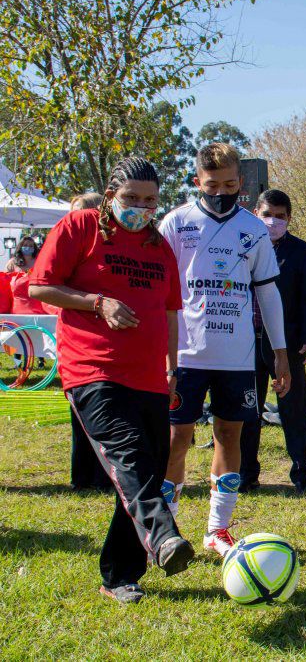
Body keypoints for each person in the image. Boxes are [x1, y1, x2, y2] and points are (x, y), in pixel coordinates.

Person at [28, 157, 194, 603]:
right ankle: (163, 538)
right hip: (93, 370)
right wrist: (98, 302)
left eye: (150, 200)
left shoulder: (159, 248)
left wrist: (172, 367)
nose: (141, 207)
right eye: (131, 198)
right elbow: (39, 287)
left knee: (150, 466)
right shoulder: (81, 228)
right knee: (131, 458)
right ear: (110, 197)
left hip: (150, 378)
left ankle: (120, 575)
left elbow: (171, 312)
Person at [159, 143, 291, 557]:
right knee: (176, 437)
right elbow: (159, 292)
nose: (222, 191)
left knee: (229, 434)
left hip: (236, 358)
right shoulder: (176, 223)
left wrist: (280, 352)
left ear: (242, 185)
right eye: (213, 184)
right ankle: (164, 526)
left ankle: (218, 528)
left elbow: (268, 294)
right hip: (185, 356)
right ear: (197, 181)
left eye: (231, 184)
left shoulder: (253, 230)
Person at [239, 189, 306, 495]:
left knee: (294, 410)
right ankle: (246, 475)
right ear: (255, 213)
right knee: (247, 411)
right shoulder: (240, 247)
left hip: (287, 345)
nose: (272, 221)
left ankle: (302, 474)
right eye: (266, 214)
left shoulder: (302, 252)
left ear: (289, 218)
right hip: (245, 343)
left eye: (280, 216)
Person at [64, 192, 113, 492]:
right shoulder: (68, 245)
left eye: (86, 213)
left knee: (104, 416)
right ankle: (82, 477)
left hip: (108, 342)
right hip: (78, 341)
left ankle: (101, 477)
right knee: (80, 416)